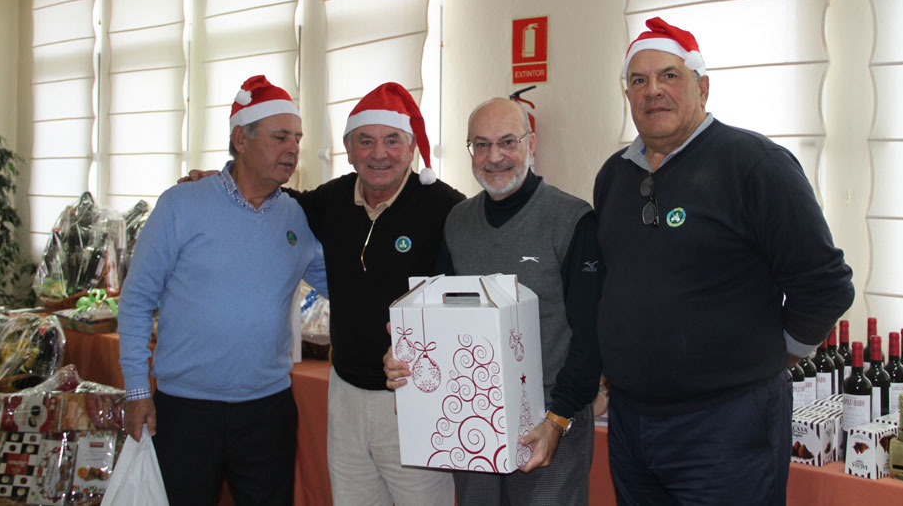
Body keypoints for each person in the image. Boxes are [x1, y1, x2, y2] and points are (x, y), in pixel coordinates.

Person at [594, 17, 855, 505]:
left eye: (669, 75)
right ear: (627, 95)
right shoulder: (614, 175)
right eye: (639, 80)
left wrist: (779, 353)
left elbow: (825, 284)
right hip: (631, 424)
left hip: (727, 426)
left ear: (702, 88)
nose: (653, 91)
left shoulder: (755, 165)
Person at [118, 75, 328, 506]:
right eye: (280, 137)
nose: (292, 148)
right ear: (240, 139)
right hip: (185, 409)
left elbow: (344, 287)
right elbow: (136, 301)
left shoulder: (297, 218)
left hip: (267, 410)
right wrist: (137, 392)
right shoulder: (181, 204)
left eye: (298, 138)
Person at [385, 97, 603, 506]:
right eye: (481, 144)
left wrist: (558, 419)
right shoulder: (458, 221)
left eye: (507, 142)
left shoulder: (571, 219)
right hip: (472, 416)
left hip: (549, 417)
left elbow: (590, 337)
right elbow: (439, 315)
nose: (494, 156)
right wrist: (405, 348)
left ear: (531, 144)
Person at [292, 83, 463, 506]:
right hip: (344, 393)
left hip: (416, 399)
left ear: (412, 149)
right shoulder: (330, 200)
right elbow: (273, 197)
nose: (379, 154)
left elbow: (467, 298)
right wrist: (220, 178)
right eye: (366, 141)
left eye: (392, 140)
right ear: (349, 150)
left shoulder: (447, 208)